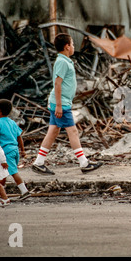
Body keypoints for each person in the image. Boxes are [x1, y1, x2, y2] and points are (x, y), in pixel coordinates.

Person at [32, 33, 103, 175]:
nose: (74, 47)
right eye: (73, 44)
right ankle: (84, 163)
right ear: (67, 46)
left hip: (60, 102)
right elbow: (57, 84)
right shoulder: (62, 62)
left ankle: (38, 162)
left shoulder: (64, 61)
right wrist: (59, 105)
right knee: (73, 131)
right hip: (61, 103)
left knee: (53, 131)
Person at [0, 99, 30, 201]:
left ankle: (24, 191)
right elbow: (19, 137)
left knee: (13, 172)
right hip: (14, 150)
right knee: (4, 172)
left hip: (6, 152)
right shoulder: (12, 122)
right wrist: (23, 150)